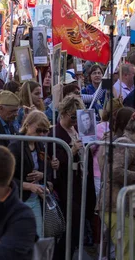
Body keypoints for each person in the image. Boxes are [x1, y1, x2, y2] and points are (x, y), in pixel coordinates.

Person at [99, 113, 135, 259]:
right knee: (129, 251)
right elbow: (115, 172)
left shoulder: (131, 146)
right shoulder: (124, 144)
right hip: (117, 207)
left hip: (128, 207)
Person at [49, 95, 96, 254]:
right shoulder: (55, 133)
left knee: (78, 227)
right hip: (66, 186)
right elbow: (55, 161)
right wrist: (72, 150)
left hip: (82, 181)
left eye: (78, 116)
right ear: (62, 113)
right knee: (71, 228)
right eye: (72, 116)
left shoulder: (79, 129)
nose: (75, 120)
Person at [8, 112, 59, 238]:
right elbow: (4, 177)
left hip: (35, 199)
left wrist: (44, 174)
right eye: (38, 130)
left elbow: (45, 170)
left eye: (45, 131)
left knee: (38, 238)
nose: (41, 134)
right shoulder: (16, 145)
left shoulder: (40, 145)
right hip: (17, 200)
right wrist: (28, 186)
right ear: (27, 125)